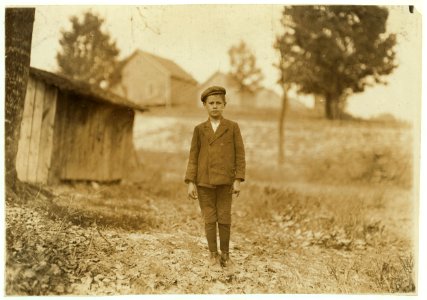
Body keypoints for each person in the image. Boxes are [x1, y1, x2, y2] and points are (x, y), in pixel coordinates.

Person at [184, 86, 246, 271]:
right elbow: (193, 156)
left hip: (226, 182)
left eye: (219, 103)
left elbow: (240, 155)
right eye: (211, 103)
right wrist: (190, 182)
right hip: (204, 182)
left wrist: (238, 180)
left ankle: (225, 256)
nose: (215, 106)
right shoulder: (199, 130)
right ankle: (213, 255)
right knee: (209, 219)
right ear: (205, 106)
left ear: (225, 105)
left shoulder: (232, 127)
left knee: (225, 218)